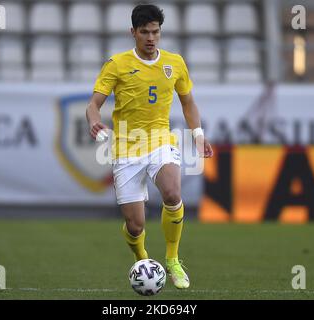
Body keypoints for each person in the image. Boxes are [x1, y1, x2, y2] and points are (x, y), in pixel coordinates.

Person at [85, 4, 213, 289]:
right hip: (126, 148)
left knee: (172, 192)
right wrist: (95, 122)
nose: (151, 37)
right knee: (135, 226)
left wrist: (198, 134)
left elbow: (188, 102)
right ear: (133, 32)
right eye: (145, 32)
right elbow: (93, 104)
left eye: (155, 31)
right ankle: (142, 258)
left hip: (160, 141)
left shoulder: (174, 63)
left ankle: (172, 260)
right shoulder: (116, 64)